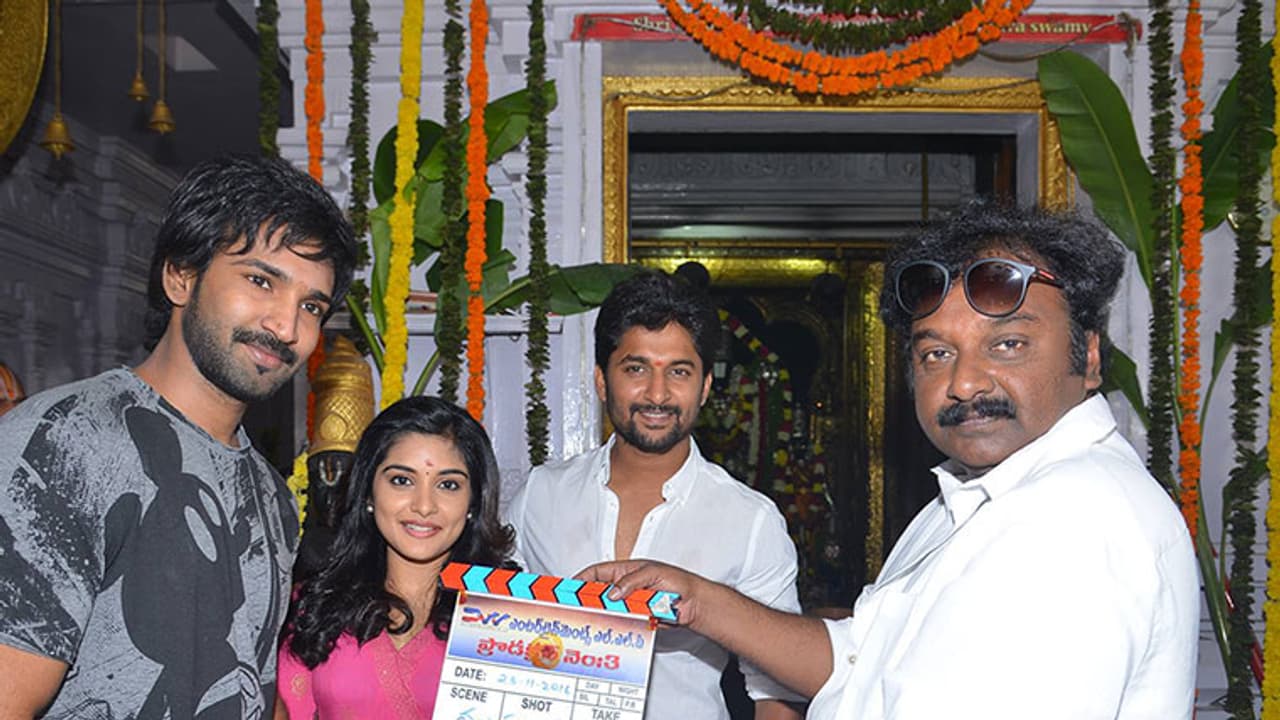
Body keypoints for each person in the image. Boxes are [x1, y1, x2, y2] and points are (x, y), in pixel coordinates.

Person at [582, 204, 1199, 720]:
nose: (964, 382)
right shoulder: (969, 499)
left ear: (1088, 358)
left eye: (1008, 344)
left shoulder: (1077, 522)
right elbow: (860, 658)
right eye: (936, 354)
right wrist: (701, 601)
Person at [0, 154, 358, 719]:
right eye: (261, 281)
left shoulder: (271, 495)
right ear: (180, 276)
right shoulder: (65, 441)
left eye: (310, 305)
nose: (287, 327)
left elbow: (246, 685)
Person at [505, 270, 805, 720]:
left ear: (705, 386)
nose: (657, 394)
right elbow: (493, 635)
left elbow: (777, 691)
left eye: (679, 371)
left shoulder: (751, 521)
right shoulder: (540, 495)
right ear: (602, 380)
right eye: (636, 368)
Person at [275, 396, 516, 718]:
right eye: (402, 481)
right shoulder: (317, 605)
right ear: (369, 492)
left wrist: (585, 620)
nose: (424, 506)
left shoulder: (508, 614)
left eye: (448, 485)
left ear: (474, 501)